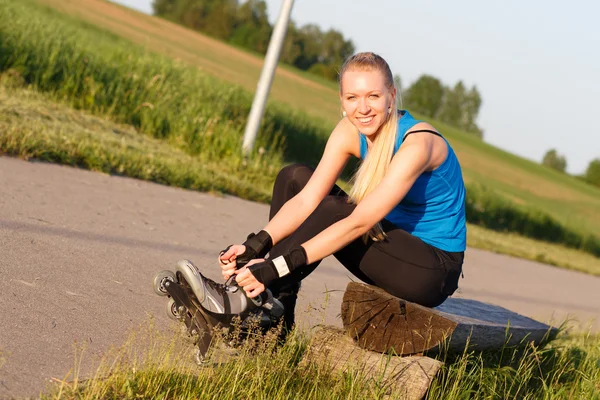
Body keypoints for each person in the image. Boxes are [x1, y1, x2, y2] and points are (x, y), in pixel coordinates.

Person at [178, 51, 466, 334]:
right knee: (294, 177)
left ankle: (246, 299)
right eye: (352, 98)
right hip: (387, 247)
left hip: (430, 270)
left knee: (337, 209)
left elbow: (359, 222)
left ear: (391, 95)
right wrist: (254, 246)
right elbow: (306, 199)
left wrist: (272, 268)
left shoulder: (417, 144)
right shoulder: (349, 131)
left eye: (373, 96)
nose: (362, 108)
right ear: (342, 100)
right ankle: (273, 319)